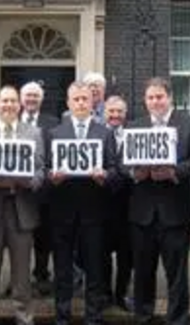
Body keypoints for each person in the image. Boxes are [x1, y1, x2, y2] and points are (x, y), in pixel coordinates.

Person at [129, 77, 190, 325]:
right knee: (142, 272)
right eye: (150, 97)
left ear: (169, 97)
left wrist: (174, 172)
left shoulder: (189, 124)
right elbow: (121, 161)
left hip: (175, 211)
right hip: (142, 213)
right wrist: (134, 173)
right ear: (145, 100)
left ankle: (177, 319)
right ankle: (143, 316)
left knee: (177, 274)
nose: (155, 101)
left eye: (159, 96)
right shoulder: (135, 125)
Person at [0, 86, 44, 325]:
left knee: (22, 271)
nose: (9, 105)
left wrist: (28, 181)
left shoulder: (33, 133)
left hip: (21, 208)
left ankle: (24, 317)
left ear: (19, 105)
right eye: (4, 101)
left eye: (13, 101)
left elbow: (40, 171)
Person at [48, 81, 117, 325]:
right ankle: (62, 317)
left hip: (94, 212)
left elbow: (115, 170)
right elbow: (46, 170)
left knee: (95, 269)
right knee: (63, 269)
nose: (80, 103)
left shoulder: (105, 133)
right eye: (75, 99)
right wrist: (52, 178)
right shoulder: (55, 133)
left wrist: (105, 177)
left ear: (92, 102)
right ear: (68, 103)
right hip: (63, 213)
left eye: (84, 99)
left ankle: (93, 317)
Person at [20, 81, 59, 297]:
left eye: (35, 96)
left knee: (43, 238)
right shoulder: (11, 121)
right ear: (21, 98)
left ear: (41, 99)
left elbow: (55, 156)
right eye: (28, 96)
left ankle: (42, 275)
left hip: (44, 191)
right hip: (18, 192)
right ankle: (20, 278)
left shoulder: (52, 123)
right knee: (21, 238)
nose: (32, 99)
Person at [102, 95, 133, 311]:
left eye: (119, 111)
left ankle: (121, 295)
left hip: (128, 204)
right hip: (101, 204)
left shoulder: (133, 134)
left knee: (126, 255)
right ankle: (104, 295)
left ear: (125, 113)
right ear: (104, 112)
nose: (115, 116)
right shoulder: (96, 134)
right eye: (111, 111)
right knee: (101, 254)